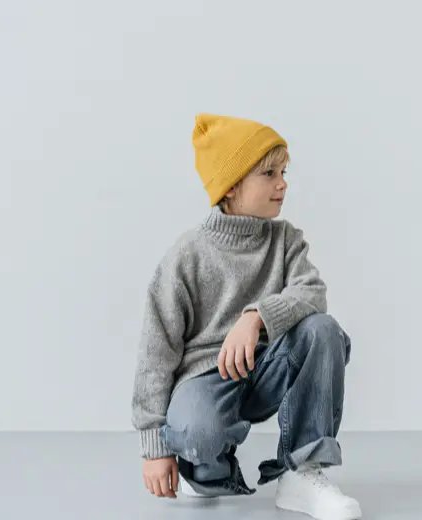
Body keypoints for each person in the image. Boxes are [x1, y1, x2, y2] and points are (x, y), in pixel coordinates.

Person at [130, 113, 362, 520]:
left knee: (323, 330)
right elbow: (156, 352)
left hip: (268, 369)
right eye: (269, 173)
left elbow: (312, 292)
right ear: (232, 185)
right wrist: (155, 449)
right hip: (206, 379)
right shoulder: (187, 255)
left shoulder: (285, 239)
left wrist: (256, 317)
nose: (282, 184)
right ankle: (206, 471)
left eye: (283, 172)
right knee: (197, 431)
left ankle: (302, 471)